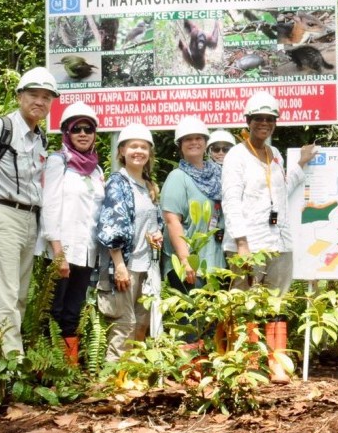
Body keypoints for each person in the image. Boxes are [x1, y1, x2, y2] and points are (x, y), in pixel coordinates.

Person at [221, 91, 317, 384]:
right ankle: (247, 365)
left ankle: (277, 365)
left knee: (277, 303)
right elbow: (230, 201)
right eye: (259, 118)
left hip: (279, 242)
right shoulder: (237, 156)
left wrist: (300, 164)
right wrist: (241, 244)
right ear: (248, 121)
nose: (264, 123)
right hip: (249, 244)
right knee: (246, 304)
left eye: (270, 119)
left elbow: (281, 190)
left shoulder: (273, 154)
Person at [0, 67, 57, 361]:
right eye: (33, 94)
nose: (39, 101)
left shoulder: (41, 140)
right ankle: (9, 367)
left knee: (20, 294)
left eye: (46, 97)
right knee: (5, 294)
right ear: (20, 95)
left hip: (29, 220)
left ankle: (8, 361)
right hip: (2, 213)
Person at [40, 101, 104, 365]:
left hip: (86, 252)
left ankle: (69, 370)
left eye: (88, 128)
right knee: (53, 311)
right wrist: (58, 253)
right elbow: (50, 205)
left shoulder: (97, 170)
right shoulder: (58, 162)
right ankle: (49, 369)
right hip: (62, 250)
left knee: (73, 311)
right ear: (66, 132)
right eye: (76, 128)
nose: (82, 133)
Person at [96, 123, 163, 362]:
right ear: (122, 151)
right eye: (133, 146)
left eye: (144, 147)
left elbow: (153, 223)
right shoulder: (117, 183)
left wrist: (157, 234)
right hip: (125, 265)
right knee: (124, 323)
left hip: (147, 266)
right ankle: (116, 379)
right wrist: (119, 265)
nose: (138, 151)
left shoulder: (149, 186)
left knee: (142, 322)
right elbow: (111, 225)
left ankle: (134, 373)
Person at [162, 117, 225, 297]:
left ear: (206, 143)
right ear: (180, 144)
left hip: (216, 261)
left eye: (199, 138)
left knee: (213, 321)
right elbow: (172, 221)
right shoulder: (177, 177)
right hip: (189, 263)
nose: (194, 142)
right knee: (191, 320)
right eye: (188, 139)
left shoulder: (218, 175)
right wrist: (185, 259)